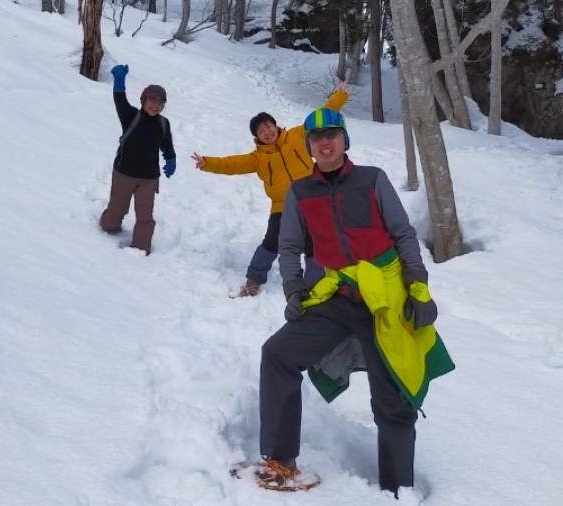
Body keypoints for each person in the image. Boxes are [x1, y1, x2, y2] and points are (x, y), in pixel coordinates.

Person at [256, 108, 454, 494]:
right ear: (310, 146)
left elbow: (403, 234)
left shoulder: (372, 180)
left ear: (345, 140)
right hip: (337, 297)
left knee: (393, 396)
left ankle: (398, 491)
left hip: (385, 300)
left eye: (332, 134)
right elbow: (290, 245)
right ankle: (281, 458)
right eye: (317, 138)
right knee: (278, 354)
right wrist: (293, 290)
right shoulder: (300, 192)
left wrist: (418, 287)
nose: (325, 142)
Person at [190, 83, 349, 297]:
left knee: (315, 242)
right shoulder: (258, 158)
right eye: (261, 131)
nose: (267, 132)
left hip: (312, 198)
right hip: (282, 206)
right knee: (272, 241)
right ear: (257, 136)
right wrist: (207, 163)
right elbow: (232, 164)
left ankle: (314, 284)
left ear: (275, 125)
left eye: (268, 126)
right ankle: (253, 280)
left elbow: (322, 115)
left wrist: (340, 96)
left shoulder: (298, 135)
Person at [98, 64, 176, 255]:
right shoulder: (130, 116)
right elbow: (120, 100)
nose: (155, 105)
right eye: (152, 100)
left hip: (148, 178)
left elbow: (167, 145)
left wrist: (171, 158)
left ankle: (141, 247)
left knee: (145, 216)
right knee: (116, 211)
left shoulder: (164, 124)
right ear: (143, 100)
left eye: (160, 102)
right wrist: (119, 81)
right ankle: (108, 225)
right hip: (124, 173)